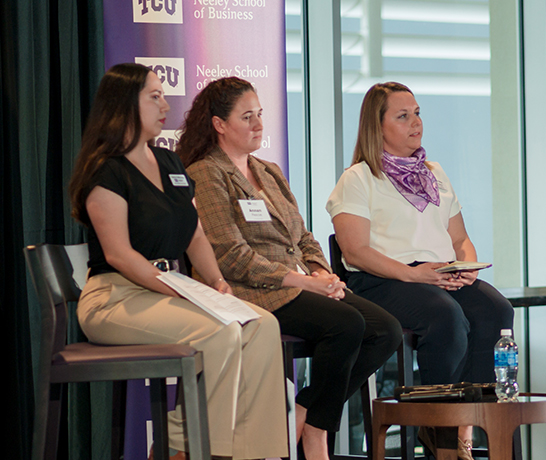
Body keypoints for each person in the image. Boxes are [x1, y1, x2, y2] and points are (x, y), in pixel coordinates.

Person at [68, 63, 287, 460]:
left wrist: (217, 283)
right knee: (221, 332)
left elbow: (195, 234)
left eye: (163, 95)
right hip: (115, 298)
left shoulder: (170, 163)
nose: (165, 105)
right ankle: (185, 447)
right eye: (154, 97)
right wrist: (180, 290)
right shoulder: (106, 171)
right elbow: (119, 255)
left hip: (167, 290)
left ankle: (249, 452)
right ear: (124, 104)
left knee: (261, 325)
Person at [178, 77, 401, 460]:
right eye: (247, 117)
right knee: (346, 325)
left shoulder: (269, 171)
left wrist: (320, 271)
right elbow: (231, 255)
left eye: (260, 114)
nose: (258, 124)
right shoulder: (207, 173)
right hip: (249, 291)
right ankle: (316, 434)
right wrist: (302, 281)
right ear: (219, 124)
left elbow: (302, 235)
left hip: (297, 284)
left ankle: (306, 414)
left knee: (386, 330)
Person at [327, 82, 514, 460]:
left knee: (496, 310)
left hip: (439, 274)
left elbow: (460, 238)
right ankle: (439, 430)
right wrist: (414, 274)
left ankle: (468, 428)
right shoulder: (358, 178)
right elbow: (355, 251)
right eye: (403, 116)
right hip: (383, 279)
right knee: (445, 316)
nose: (416, 122)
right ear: (377, 127)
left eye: (417, 113)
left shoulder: (435, 173)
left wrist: (467, 267)